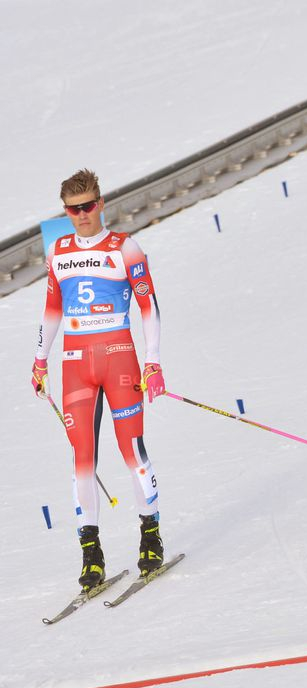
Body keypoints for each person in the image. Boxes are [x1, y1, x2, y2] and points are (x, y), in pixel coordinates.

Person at [32, 169, 167, 592]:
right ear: (65, 211)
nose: (82, 215)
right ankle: (91, 555)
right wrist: (39, 361)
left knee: (132, 451)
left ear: (101, 203)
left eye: (88, 205)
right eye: (74, 209)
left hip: (120, 359)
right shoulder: (59, 250)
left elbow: (149, 307)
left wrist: (153, 361)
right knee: (82, 462)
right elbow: (52, 310)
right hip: (75, 362)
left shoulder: (125, 247)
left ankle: (150, 539)